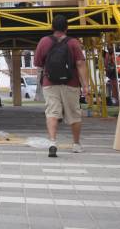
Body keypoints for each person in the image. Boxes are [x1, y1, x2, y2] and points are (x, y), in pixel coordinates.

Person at [34, 14, 89, 158]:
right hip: (71, 83)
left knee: (52, 112)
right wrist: (85, 86)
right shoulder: (73, 43)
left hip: (50, 83)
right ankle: (76, 144)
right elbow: (80, 64)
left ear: (52, 27)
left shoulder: (44, 41)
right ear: (67, 28)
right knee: (74, 114)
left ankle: (52, 142)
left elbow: (38, 63)